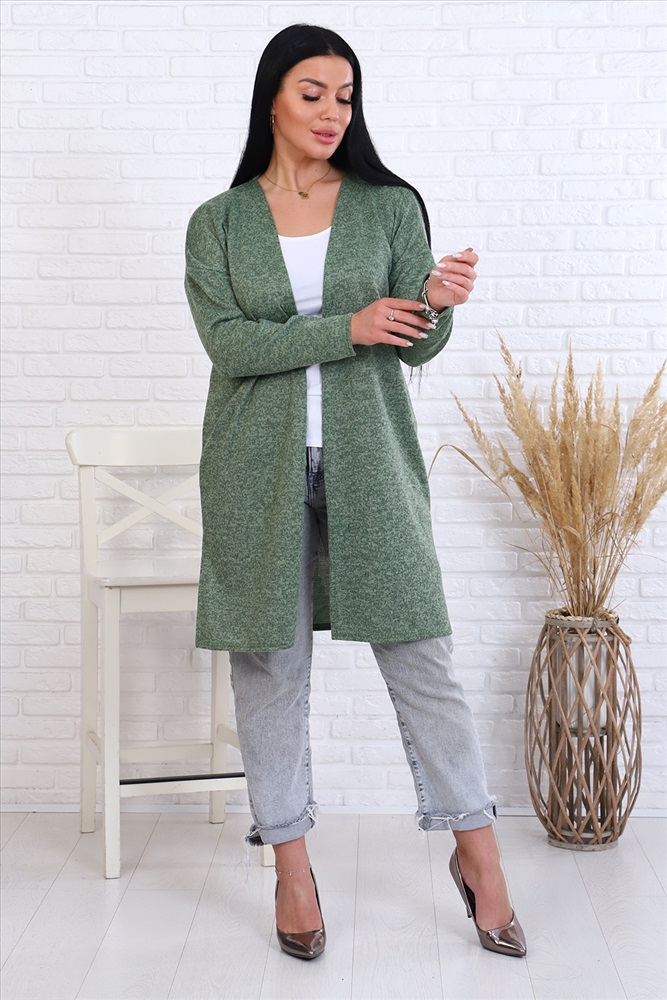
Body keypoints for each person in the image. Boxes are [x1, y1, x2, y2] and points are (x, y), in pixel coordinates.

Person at [184, 23, 526, 962]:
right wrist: (349, 325)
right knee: (269, 666)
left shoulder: (387, 205)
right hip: (252, 469)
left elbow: (410, 343)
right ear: (272, 99)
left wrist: (433, 306)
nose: (332, 111)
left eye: (344, 95)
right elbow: (229, 346)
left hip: (370, 459)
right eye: (312, 93)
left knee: (421, 655)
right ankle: (292, 869)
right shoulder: (219, 222)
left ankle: (479, 856)